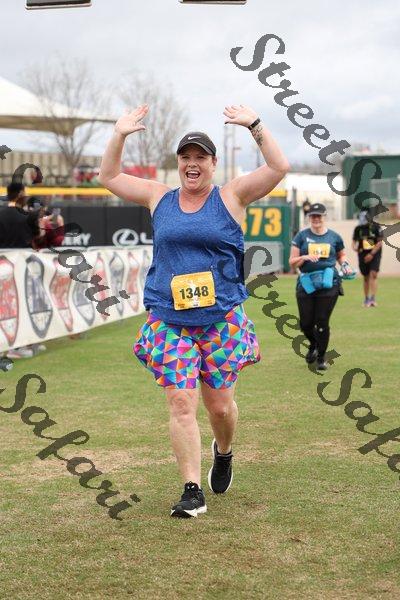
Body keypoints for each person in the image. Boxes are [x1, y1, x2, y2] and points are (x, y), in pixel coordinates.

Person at [99, 103, 290, 518]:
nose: (192, 163)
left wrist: (255, 126)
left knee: (219, 407)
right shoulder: (159, 198)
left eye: (200, 157)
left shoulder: (231, 196)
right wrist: (119, 134)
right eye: (185, 157)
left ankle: (224, 452)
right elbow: (109, 177)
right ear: (179, 164)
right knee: (182, 403)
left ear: (212, 164)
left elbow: (279, 167)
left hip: (220, 319)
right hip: (169, 319)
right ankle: (191, 490)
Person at [289, 203, 354, 371]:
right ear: (309, 218)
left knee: (322, 321)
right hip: (307, 283)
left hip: (329, 283)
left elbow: (341, 255)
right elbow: (292, 262)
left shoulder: (334, 237)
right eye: (313, 216)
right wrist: (304, 257)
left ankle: (321, 357)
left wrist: (345, 264)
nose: (316, 218)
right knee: (306, 324)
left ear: (324, 217)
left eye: (319, 215)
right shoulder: (301, 236)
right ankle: (313, 344)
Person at [0, 182, 43, 359]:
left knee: (7, 305)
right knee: (23, 304)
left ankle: (19, 343)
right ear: (20, 193)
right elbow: (38, 237)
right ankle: (18, 345)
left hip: (3, 267)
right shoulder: (29, 216)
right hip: (23, 267)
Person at [352, 211, 383, 307]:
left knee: (373, 274)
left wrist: (371, 254)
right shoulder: (358, 228)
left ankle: (373, 299)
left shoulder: (376, 227)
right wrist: (355, 248)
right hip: (362, 253)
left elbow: (379, 242)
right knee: (365, 276)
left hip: (375, 253)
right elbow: (354, 241)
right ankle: (366, 299)